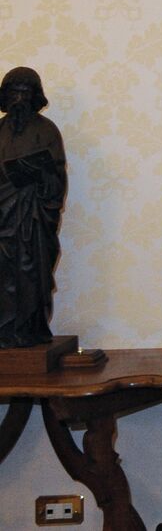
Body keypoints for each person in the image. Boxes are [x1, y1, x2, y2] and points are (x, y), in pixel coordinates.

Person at [0, 67, 67, 349]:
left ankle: (31, 328)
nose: (19, 99)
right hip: (2, 220)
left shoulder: (47, 130)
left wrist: (40, 176)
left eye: (25, 93)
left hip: (34, 221)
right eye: (13, 92)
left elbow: (57, 178)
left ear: (35, 96)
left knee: (32, 274)